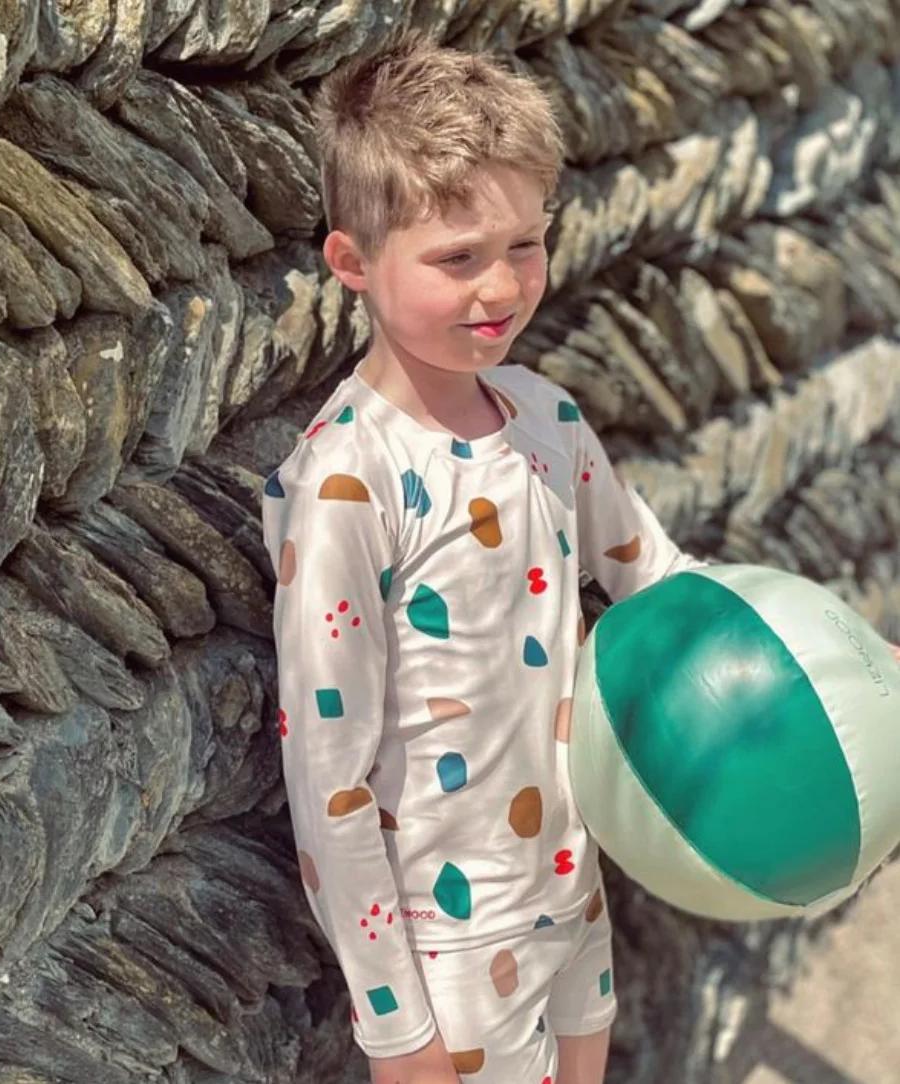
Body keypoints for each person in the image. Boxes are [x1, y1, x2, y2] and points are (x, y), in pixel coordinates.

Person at [259, 29, 900, 1084]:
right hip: (453, 946)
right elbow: (327, 777)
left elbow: (666, 581)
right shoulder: (345, 488)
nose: (501, 286)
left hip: (570, 889)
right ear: (352, 263)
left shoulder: (545, 419)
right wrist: (397, 1029)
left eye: (525, 243)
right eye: (457, 257)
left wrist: (860, 662)